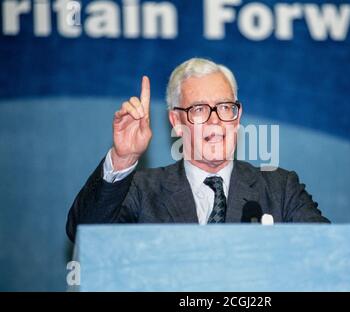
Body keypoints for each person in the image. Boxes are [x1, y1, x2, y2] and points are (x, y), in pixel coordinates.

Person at [66, 58, 329, 242]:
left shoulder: (281, 189)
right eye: (199, 110)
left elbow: (329, 253)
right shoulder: (142, 190)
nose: (215, 121)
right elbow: (85, 235)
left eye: (225, 108)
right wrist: (123, 158)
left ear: (237, 118)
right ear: (176, 123)